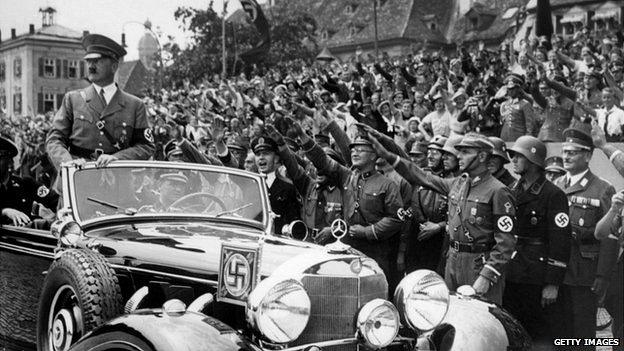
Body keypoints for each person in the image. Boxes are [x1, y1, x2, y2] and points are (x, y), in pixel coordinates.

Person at [370, 132, 516, 304]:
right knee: (452, 314)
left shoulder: (498, 191)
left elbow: (506, 243)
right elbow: (419, 175)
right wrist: (388, 155)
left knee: (480, 318)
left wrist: (488, 275)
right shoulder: (458, 183)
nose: (459, 156)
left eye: (465, 152)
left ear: (482, 156)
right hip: (453, 259)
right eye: (459, 151)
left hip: (478, 264)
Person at [297, 127, 403, 279]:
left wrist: (368, 231)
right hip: (347, 246)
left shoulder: (387, 184)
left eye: (361, 150)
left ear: (374, 155)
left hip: (374, 251)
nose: (354, 152)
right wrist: (302, 136)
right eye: (353, 150)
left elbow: (395, 218)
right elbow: (322, 160)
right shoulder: (347, 177)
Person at [46, 34, 155, 172]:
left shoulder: (135, 105)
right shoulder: (72, 100)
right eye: (88, 61)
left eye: (97, 61)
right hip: (78, 179)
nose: (91, 66)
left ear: (114, 66)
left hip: (116, 183)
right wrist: (68, 163)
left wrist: (119, 158)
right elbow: (54, 139)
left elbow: (146, 146)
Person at [552, 127, 619, 346]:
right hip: (559, 271)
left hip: (585, 274)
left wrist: (602, 276)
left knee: (582, 334)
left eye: (573, 152)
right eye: (565, 151)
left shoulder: (602, 189)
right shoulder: (556, 185)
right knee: (560, 329)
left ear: (588, 156)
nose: (566, 156)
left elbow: (610, 237)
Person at [503, 136, 571, 348]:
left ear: (533, 160)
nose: (513, 160)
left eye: (519, 156)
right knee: (513, 329)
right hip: (513, 270)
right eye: (512, 155)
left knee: (539, 334)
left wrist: (552, 283)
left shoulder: (553, 194)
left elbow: (561, 240)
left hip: (537, 275)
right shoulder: (512, 189)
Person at [0, 137, 59, 228]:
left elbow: (54, 200)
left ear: (10, 161)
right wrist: (5, 211)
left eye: (0, 157)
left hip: (25, 237)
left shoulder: (25, 184)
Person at [250, 135, 301, 233]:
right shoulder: (250, 184)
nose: (261, 158)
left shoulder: (288, 187)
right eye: (258, 154)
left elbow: (294, 222)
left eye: (266, 154)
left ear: (276, 158)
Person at [499, 73, 536, 141]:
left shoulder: (525, 104)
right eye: (509, 89)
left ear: (519, 89)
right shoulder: (504, 105)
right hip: (505, 138)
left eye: (513, 88)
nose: (511, 91)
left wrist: (528, 138)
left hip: (519, 139)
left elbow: (530, 125)